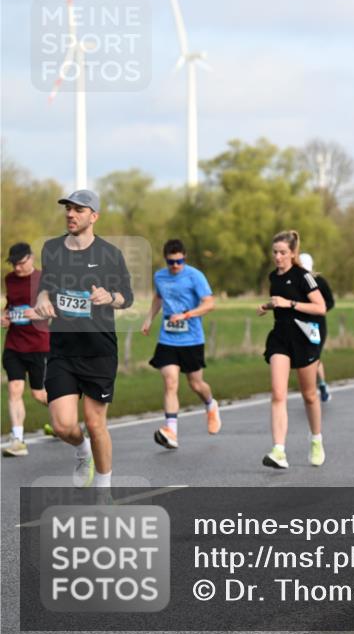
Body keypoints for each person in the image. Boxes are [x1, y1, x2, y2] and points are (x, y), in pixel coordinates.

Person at [31, 189, 133, 489]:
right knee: (63, 425)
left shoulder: (110, 255)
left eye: (78, 210)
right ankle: (81, 449)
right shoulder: (51, 249)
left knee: (94, 422)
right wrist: (43, 300)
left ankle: (104, 491)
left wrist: (109, 296)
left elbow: (126, 297)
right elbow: (46, 286)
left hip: (98, 350)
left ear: (94, 216)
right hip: (62, 349)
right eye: (68, 209)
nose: (70, 214)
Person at [258, 231, 328, 469]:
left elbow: (321, 307)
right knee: (278, 394)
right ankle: (279, 451)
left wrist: (291, 304)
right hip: (280, 338)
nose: (278, 257)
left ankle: (316, 439)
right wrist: (268, 306)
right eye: (275, 252)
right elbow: (281, 303)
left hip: (304, 337)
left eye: (283, 253)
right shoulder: (273, 277)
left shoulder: (303, 276)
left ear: (293, 253)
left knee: (309, 395)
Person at [141, 239, 220, 449]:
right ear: (165, 260)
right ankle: (171, 431)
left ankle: (211, 405)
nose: (176, 266)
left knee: (195, 384)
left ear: (185, 257)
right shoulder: (159, 276)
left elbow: (210, 304)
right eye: (171, 262)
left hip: (192, 339)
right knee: (170, 382)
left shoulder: (195, 276)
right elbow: (158, 297)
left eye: (180, 261)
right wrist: (149, 318)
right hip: (168, 338)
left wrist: (187, 315)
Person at [2, 243, 50, 456]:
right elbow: (11, 305)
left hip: (38, 345)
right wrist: (4, 316)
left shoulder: (44, 279)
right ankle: (18, 440)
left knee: (39, 394)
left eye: (20, 263)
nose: (17, 268)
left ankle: (64, 418)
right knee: (14, 390)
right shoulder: (10, 279)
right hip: (14, 344)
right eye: (13, 264)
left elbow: (54, 310)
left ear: (31, 258)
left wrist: (38, 314)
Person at [299, 253, 335, 403]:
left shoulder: (319, 281)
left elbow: (330, 302)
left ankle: (320, 386)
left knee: (313, 357)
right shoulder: (295, 281)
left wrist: (318, 309)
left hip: (315, 325)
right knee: (303, 357)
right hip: (299, 324)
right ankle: (313, 387)